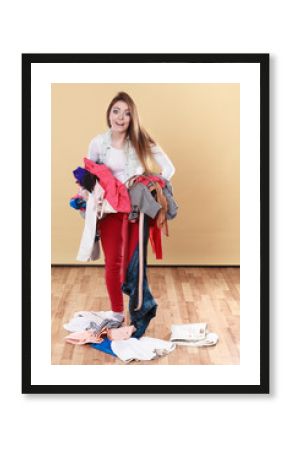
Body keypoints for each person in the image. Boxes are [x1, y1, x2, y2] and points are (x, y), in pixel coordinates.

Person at [86, 91, 175, 327]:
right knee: (113, 262)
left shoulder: (140, 140)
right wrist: (88, 197)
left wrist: (155, 183)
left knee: (134, 264)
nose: (120, 117)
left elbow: (169, 168)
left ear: (132, 117)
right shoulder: (97, 143)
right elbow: (88, 177)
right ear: (109, 114)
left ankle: (137, 314)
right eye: (116, 111)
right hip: (109, 213)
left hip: (136, 212)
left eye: (126, 113)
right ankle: (117, 314)